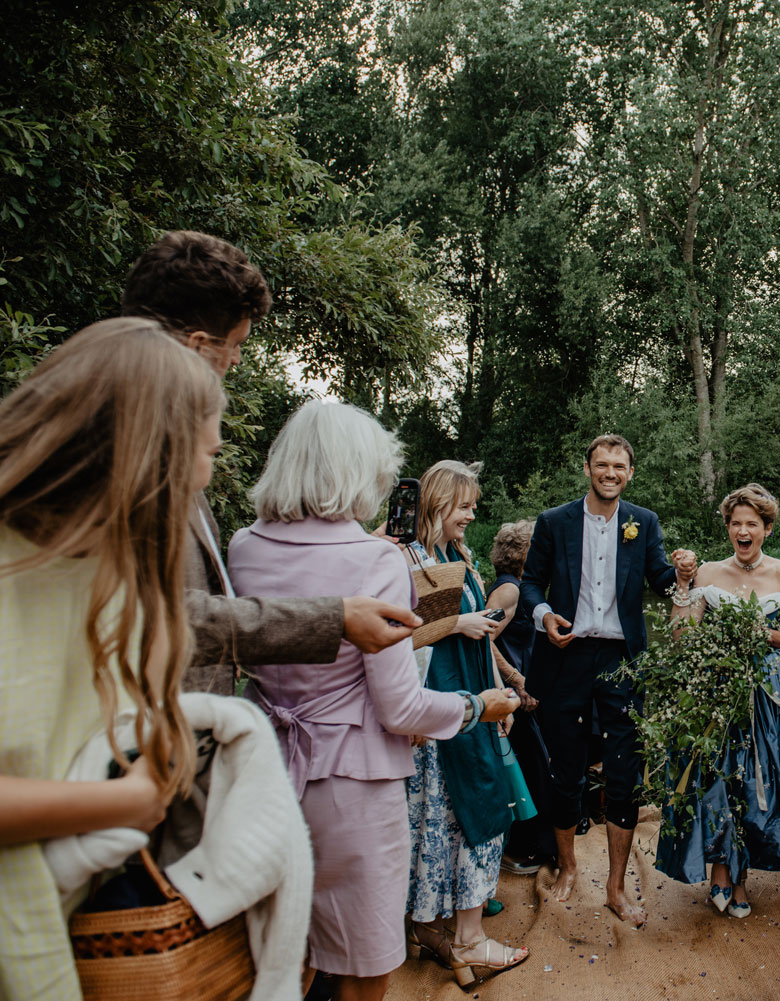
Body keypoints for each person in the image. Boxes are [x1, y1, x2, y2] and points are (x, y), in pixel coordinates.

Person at [225, 403, 519, 1001]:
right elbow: (401, 709)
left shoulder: (242, 546)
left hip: (261, 772)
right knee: (361, 965)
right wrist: (475, 708)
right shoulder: (375, 559)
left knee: (284, 951)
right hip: (350, 784)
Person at [0, 319, 222, 1001]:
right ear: (151, 445)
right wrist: (123, 800)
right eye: (207, 436)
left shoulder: (114, 572)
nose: (214, 454)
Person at [119, 230, 417, 696]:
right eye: (235, 344)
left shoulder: (168, 440)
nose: (236, 361)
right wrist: (334, 618)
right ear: (198, 346)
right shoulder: (122, 447)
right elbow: (149, 614)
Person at [518, 434, 685, 927]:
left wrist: (682, 572)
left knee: (623, 773)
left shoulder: (644, 521)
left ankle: (614, 886)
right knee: (565, 769)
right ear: (587, 467)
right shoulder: (554, 521)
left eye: (619, 466)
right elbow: (530, 582)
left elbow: (661, 579)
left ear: (630, 472)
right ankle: (568, 868)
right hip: (565, 655)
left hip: (620, 659)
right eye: (602, 464)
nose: (610, 473)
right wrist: (545, 615)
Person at [657, 484, 780, 916]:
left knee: (755, 782)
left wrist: (758, 634)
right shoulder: (709, 573)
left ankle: (740, 878)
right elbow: (683, 638)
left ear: (767, 529)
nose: (743, 530)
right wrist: (683, 583)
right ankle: (720, 870)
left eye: (751, 524)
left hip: (768, 692)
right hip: (717, 688)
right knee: (717, 778)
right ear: (728, 528)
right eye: (736, 523)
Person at [404, 460, 533, 986]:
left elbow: (480, 634)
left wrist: (501, 690)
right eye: (464, 505)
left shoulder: (458, 556)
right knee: (445, 821)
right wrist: (455, 621)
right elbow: (395, 634)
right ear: (436, 503)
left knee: (472, 813)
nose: (472, 513)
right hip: (438, 713)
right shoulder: (405, 556)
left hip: (477, 708)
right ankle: (465, 941)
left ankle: (448, 932)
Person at [485, 520, 555, 875]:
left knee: (535, 765)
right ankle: (525, 848)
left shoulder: (522, 587)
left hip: (523, 689)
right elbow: (484, 638)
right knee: (528, 769)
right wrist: (516, 681)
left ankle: (533, 846)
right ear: (522, 551)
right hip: (513, 692)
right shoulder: (509, 590)